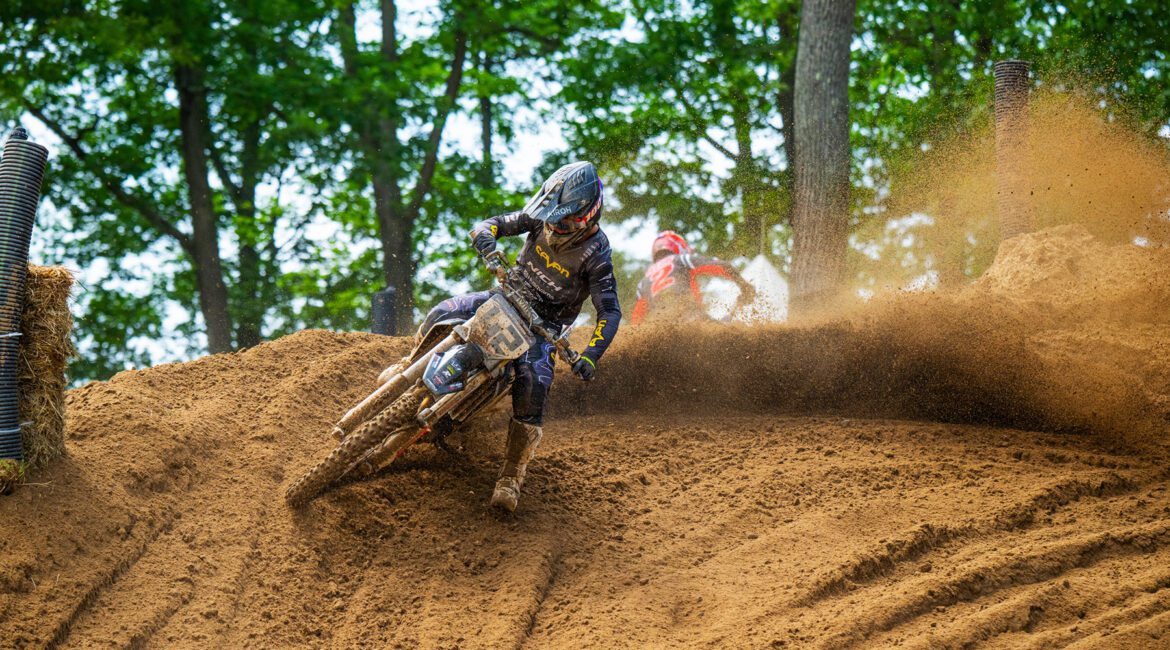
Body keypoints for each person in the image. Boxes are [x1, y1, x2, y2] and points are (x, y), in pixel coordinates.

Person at [417, 161, 621, 512]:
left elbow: (610, 311)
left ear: (587, 216)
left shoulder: (597, 254)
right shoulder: (539, 218)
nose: (555, 226)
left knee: (535, 386)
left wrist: (590, 355)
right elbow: (492, 224)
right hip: (506, 296)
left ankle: (511, 475)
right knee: (441, 311)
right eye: (552, 219)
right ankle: (410, 364)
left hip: (542, 330)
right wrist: (485, 239)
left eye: (564, 222)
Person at [630, 231, 756, 325]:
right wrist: (745, 287)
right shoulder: (681, 259)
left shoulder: (643, 283)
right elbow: (723, 266)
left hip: (661, 332)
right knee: (737, 334)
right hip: (691, 320)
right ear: (678, 246)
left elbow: (636, 320)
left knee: (724, 322)